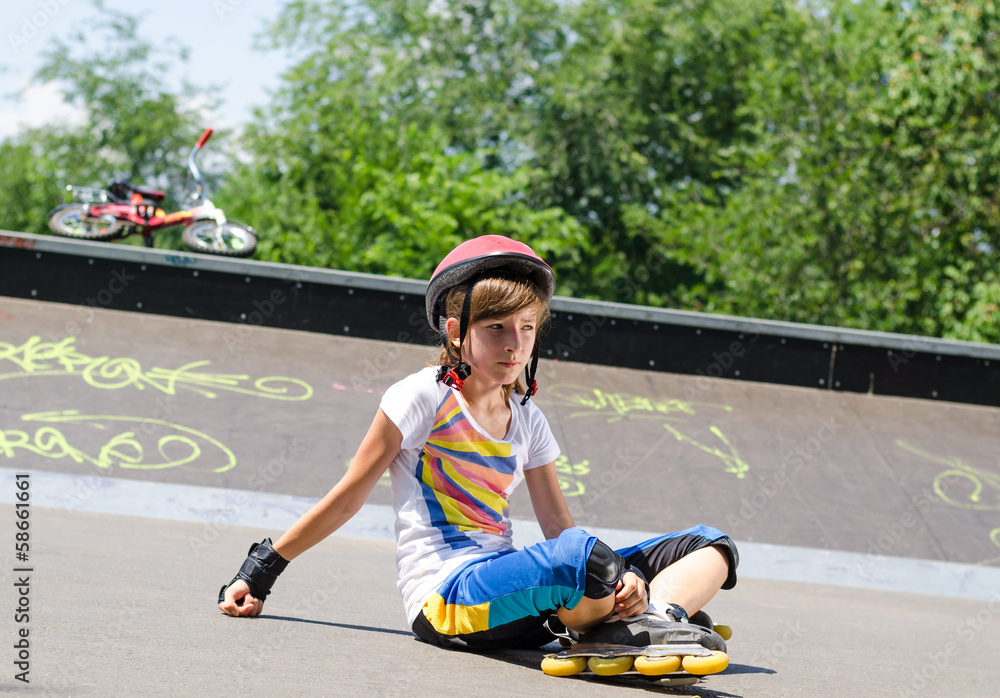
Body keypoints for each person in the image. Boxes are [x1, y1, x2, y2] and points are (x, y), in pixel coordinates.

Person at [218, 234, 738, 653]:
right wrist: (261, 571)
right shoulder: (421, 396)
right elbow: (350, 494)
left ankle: (655, 617)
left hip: (511, 586)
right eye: (495, 328)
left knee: (709, 544)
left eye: (527, 327)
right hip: (446, 598)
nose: (514, 344)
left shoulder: (528, 419)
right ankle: (622, 627)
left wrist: (622, 576)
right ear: (455, 331)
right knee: (584, 560)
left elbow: (559, 527)